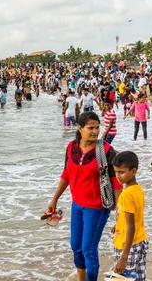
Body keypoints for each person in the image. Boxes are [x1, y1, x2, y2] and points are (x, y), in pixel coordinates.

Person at [47, 111, 122, 281]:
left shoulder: (107, 151)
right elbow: (66, 173)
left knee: (88, 248)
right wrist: (55, 199)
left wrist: (120, 213)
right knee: (76, 247)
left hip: (97, 208)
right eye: (91, 128)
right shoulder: (71, 147)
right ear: (80, 129)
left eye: (97, 127)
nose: (95, 131)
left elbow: (117, 184)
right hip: (77, 205)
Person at [112, 151, 149, 280]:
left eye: (121, 172)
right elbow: (133, 216)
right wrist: (117, 224)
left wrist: (124, 257)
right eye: (116, 172)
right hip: (140, 240)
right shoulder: (137, 189)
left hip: (127, 245)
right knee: (138, 277)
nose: (118, 176)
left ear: (133, 171)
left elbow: (131, 226)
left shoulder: (126, 194)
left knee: (123, 278)